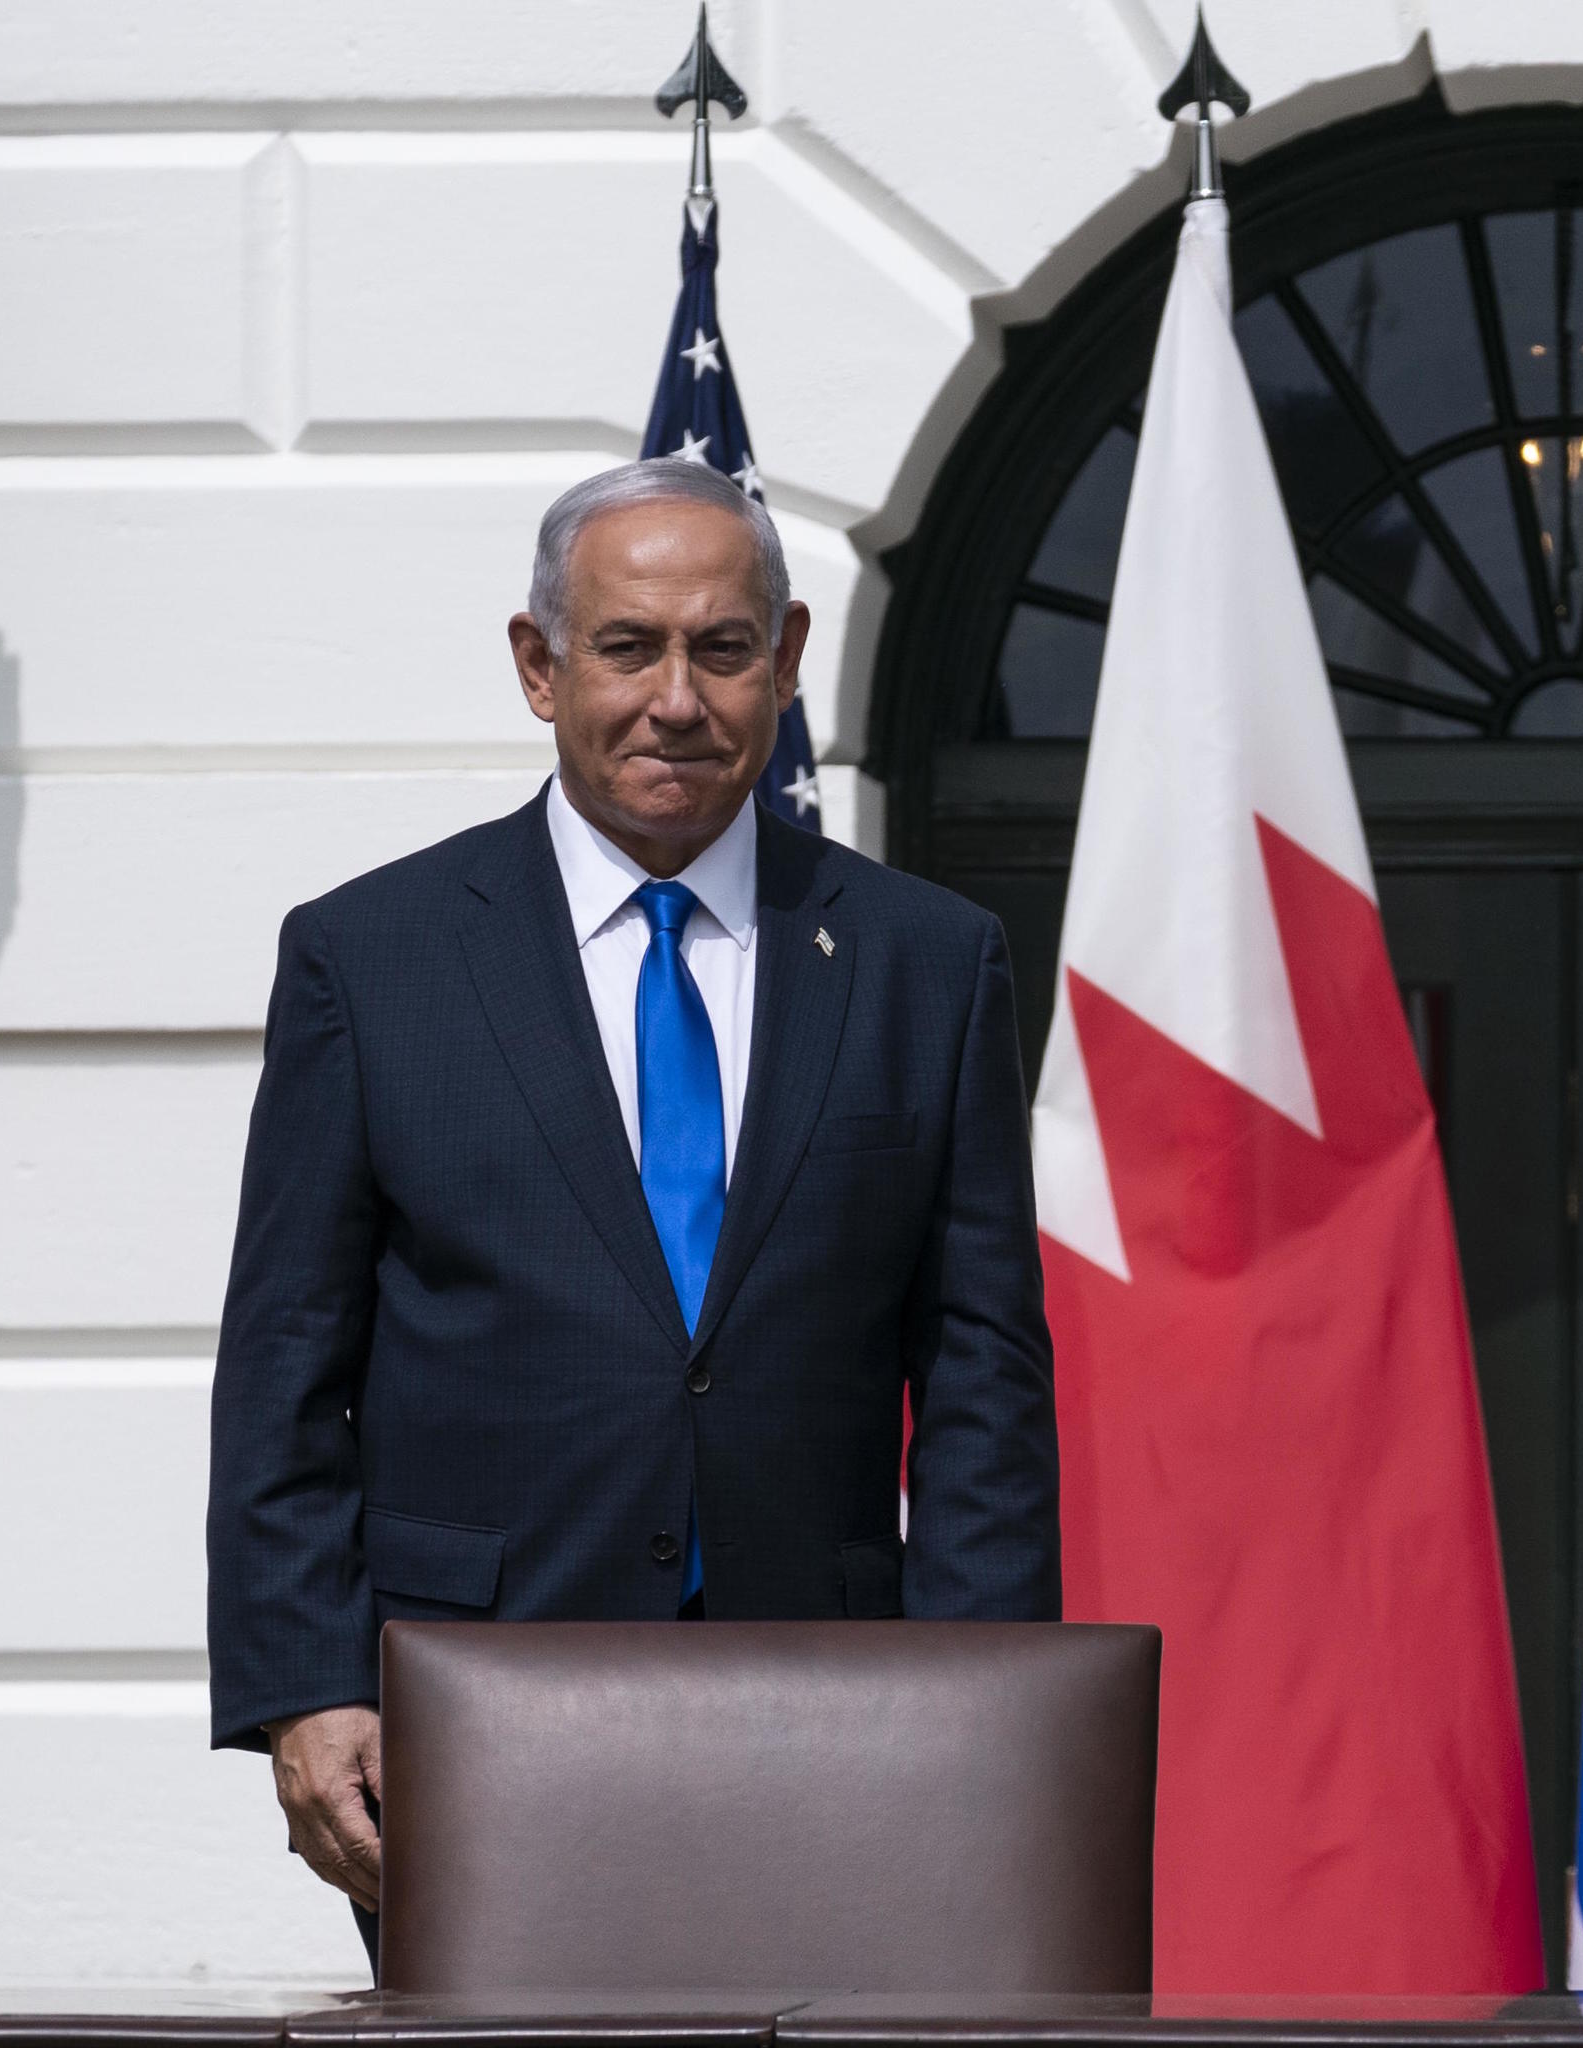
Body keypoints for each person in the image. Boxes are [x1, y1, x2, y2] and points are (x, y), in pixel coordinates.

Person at [206, 459, 1061, 1950]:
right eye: (627, 647)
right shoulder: (374, 957)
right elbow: (288, 1360)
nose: (678, 697)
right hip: (470, 1712)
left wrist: (978, 1695)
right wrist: (306, 1682)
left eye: (724, 649)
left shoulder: (927, 960)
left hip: (836, 1714)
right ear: (540, 667)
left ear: (786, 662)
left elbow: (983, 1364)